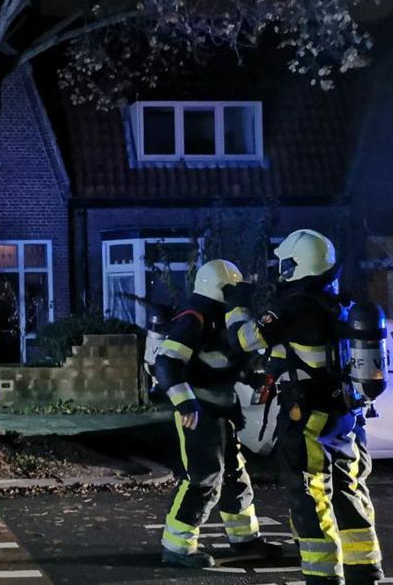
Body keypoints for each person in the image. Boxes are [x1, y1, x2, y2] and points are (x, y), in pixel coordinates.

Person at [225, 229, 383, 585]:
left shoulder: (295, 305)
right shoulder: (338, 302)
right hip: (345, 414)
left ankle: (321, 574)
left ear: (297, 264)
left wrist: (235, 306)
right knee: (348, 487)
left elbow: (242, 340)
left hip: (309, 414)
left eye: (286, 262)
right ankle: (364, 567)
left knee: (311, 491)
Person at [155, 260, 282, 568]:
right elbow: (166, 363)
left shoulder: (219, 319)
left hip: (220, 410)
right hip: (199, 413)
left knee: (234, 475)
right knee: (203, 478)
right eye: (232, 290)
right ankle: (177, 546)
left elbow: (222, 361)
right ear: (218, 288)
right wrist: (185, 404)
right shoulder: (194, 319)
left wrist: (249, 377)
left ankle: (244, 539)